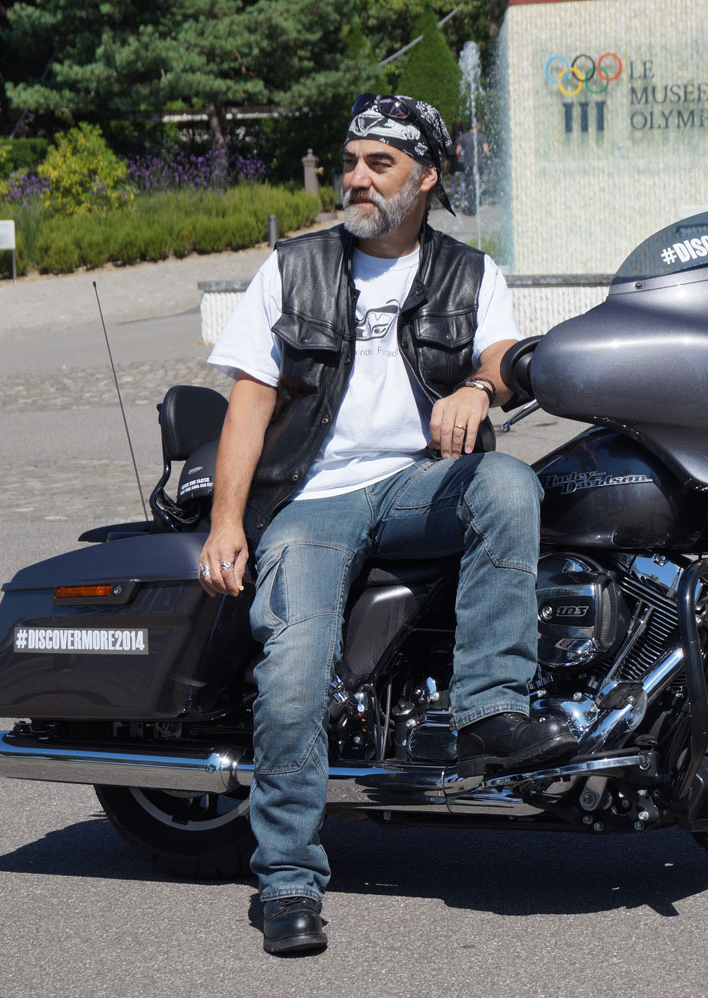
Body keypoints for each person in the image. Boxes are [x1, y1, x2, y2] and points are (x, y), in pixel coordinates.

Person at [197, 93, 576, 957]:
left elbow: (499, 360)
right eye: (352, 161)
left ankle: (489, 715)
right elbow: (250, 403)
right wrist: (228, 522)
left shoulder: (469, 274)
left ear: (426, 177)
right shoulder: (291, 271)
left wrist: (481, 389)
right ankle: (288, 880)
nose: (358, 178)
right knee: (293, 670)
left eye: (381, 163)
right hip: (314, 501)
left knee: (509, 485)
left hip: (417, 487)